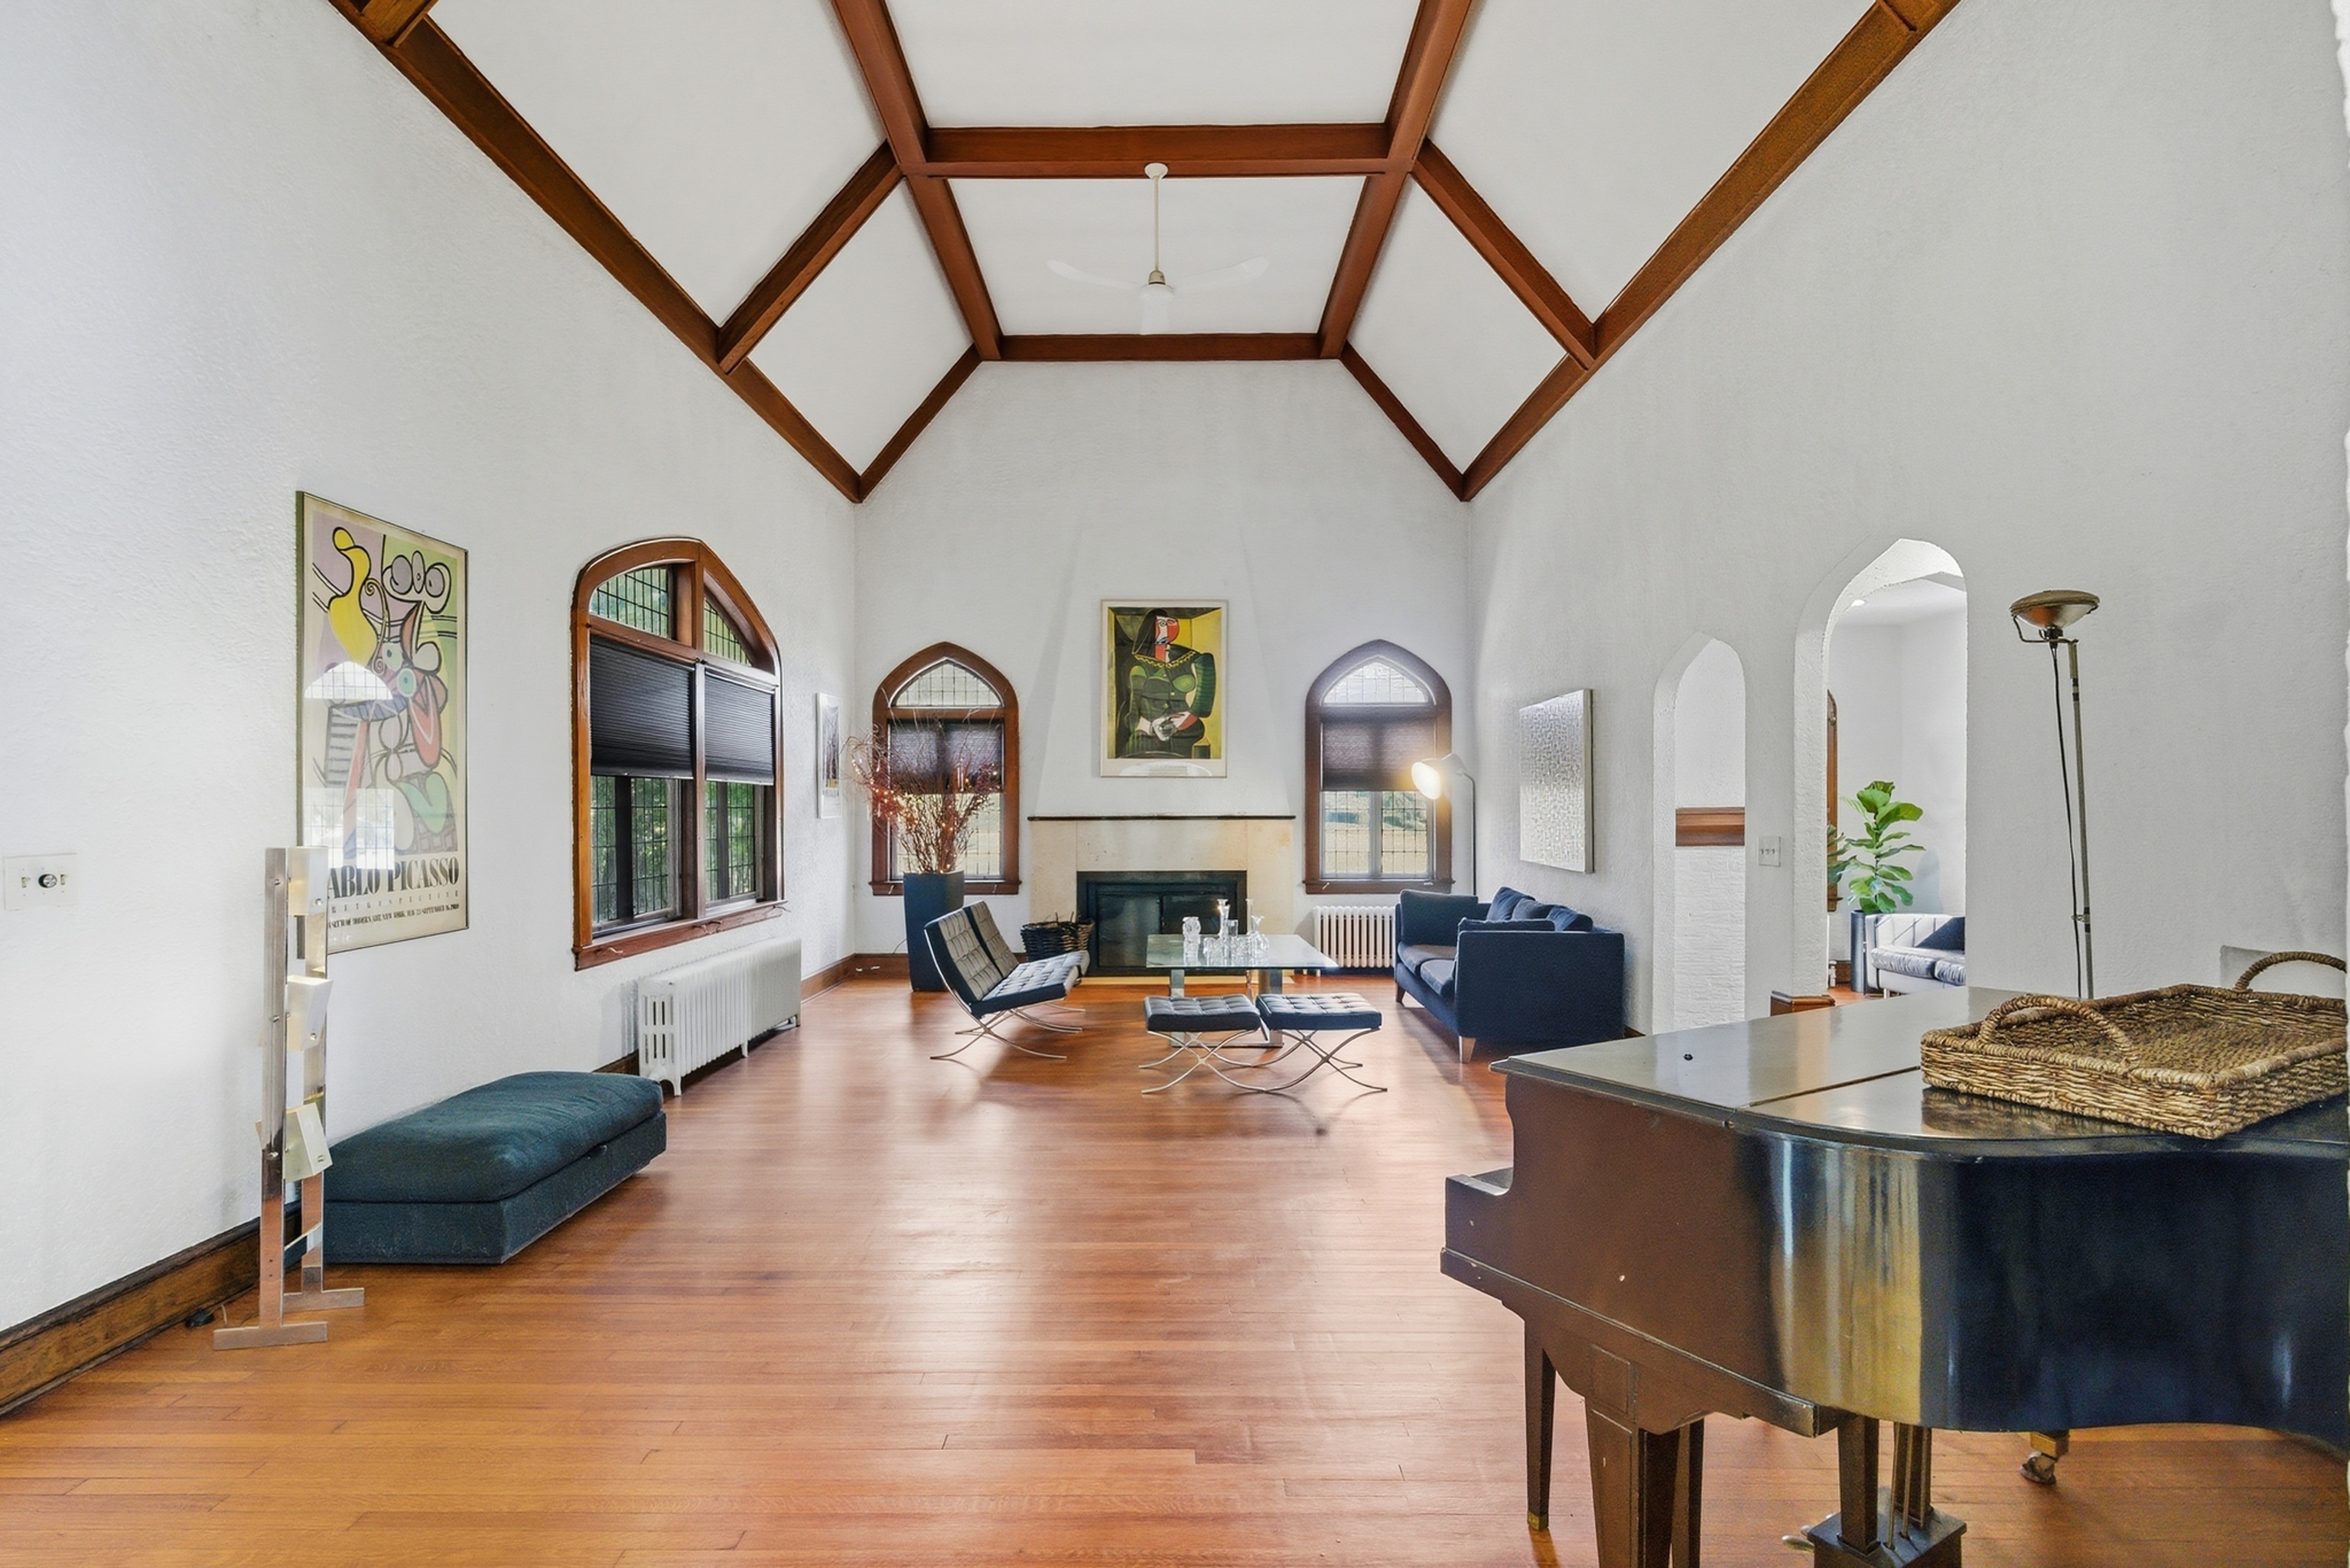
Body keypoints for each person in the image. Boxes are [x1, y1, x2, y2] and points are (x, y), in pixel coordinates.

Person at [1121, 611, 1216, 760]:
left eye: (1171, 622)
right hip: (1148, 729)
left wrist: (1189, 718)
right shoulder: (1137, 662)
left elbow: (1206, 683)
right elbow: (1134, 704)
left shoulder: (1189, 657)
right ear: (1150, 629)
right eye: (1162, 624)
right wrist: (1145, 729)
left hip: (1186, 729)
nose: (1169, 627)